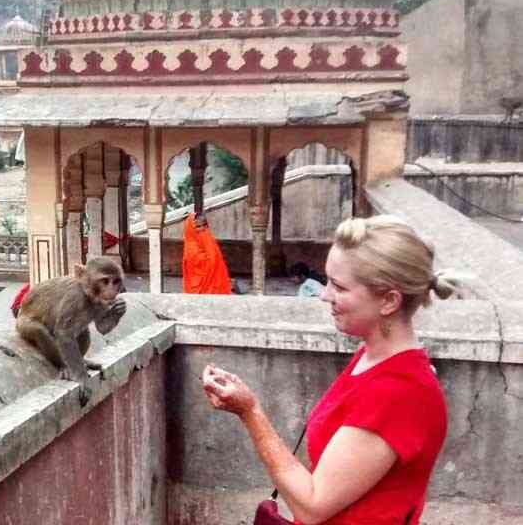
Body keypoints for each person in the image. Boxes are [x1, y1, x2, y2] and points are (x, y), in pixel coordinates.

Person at [202, 215, 458, 524]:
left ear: (389, 301)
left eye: (338, 286)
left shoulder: (399, 391)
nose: (324, 295)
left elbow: (312, 505)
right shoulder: (372, 358)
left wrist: (251, 412)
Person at [182, 212, 232, 295]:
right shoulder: (191, 245)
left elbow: (217, 260)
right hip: (198, 287)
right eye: (198, 227)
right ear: (190, 228)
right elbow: (207, 262)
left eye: (204, 225)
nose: (202, 229)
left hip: (214, 284)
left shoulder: (208, 237)